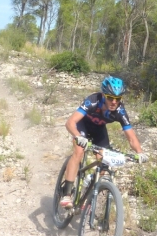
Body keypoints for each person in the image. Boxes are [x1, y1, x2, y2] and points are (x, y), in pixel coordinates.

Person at [60, 75, 147, 208]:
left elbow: (131, 137)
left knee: (104, 160)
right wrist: (78, 136)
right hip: (82, 125)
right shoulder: (93, 101)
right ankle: (67, 194)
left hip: (99, 129)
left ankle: (87, 190)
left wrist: (140, 152)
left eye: (117, 99)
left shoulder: (120, 111)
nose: (113, 102)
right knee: (79, 151)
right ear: (103, 95)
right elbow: (70, 122)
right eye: (110, 98)